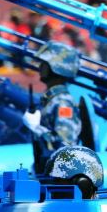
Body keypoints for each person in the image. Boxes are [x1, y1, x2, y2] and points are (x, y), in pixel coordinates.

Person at [22, 42, 82, 173]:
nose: (40, 67)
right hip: (50, 173)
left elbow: (66, 146)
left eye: (45, 63)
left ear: (56, 67)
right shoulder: (51, 100)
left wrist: (36, 127)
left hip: (61, 180)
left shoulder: (63, 103)